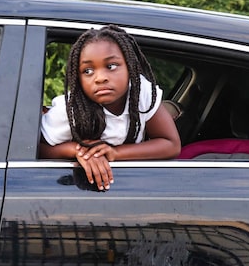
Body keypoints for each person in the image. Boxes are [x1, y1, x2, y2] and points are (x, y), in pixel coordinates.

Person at [39, 25, 181, 190]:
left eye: (111, 66)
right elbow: (33, 148)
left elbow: (171, 144)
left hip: (133, 187)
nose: (100, 78)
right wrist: (79, 150)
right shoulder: (70, 109)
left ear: (130, 66)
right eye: (88, 71)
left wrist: (116, 153)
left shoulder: (140, 92)